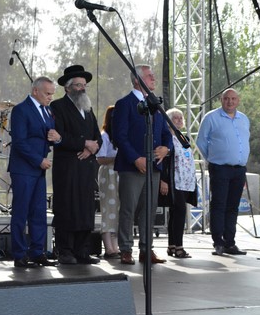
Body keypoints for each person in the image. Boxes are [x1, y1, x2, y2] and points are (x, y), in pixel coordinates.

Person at [113, 64, 172, 265]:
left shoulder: (155, 105)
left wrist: (166, 149)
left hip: (154, 167)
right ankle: (125, 249)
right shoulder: (125, 104)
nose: (154, 78)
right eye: (149, 76)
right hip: (132, 167)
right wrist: (135, 158)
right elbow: (119, 136)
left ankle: (147, 249)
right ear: (137, 80)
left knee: (149, 209)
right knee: (128, 209)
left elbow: (166, 134)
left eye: (153, 75)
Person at [50, 65, 102, 265]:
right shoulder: (58, 106)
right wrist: (83, 144)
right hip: (68, 167)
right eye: (78, 85)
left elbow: (97, 137)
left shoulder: (87, 108)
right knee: (67, 207)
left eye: (84, 85)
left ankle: (82, 250)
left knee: (85, 209)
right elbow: (59, 136)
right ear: (68, 87)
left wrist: (91, 149)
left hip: (86, 167)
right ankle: (65, 250)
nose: (82, 89)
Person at [7, 77, 61, 268]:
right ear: (35, 91)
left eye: (52, 94)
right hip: (24, 169)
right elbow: (19, 142)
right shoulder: (21, 110)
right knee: (21, 212)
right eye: (47, 93)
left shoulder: (47, 111)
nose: (50, 97)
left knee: (38, 212)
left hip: (39, 170)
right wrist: (38, 160)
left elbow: (51, 136)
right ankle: (19, 254)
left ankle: (37, 252)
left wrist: (58, 138)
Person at [196, 88, 250, 256]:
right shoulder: (211, 117)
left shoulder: (244, 119)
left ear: (238, 101)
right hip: (220, 168)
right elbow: (201, 141)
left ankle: (230, 243)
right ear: (221, 100)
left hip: (239, 169)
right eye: (226, 98)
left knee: (233, 207)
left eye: (233, 99)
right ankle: (218, 243)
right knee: (219, 205)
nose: (230, 102)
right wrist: (213, 158)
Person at [159, 108, 197, 259]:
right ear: (168, 121)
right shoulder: (166, 138)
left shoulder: (183, 137)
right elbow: (163, 161)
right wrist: (163, 179)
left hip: (186, 180)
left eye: (181, 118)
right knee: (179, 211)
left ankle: (172, 246)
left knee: (176, 212)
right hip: (173, 179)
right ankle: (179, 247)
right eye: (175, 118)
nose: (179, 120)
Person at [96, 105, 120, 259]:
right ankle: (108, 247)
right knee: (109, 209)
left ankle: (115, 246)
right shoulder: (104, 136)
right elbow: (100, 159)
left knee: (118, 211)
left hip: (119, 173)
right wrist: (117, 158)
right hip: (109, 173)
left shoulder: (119, 136)